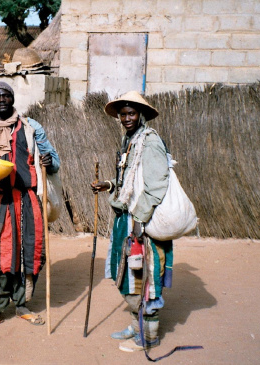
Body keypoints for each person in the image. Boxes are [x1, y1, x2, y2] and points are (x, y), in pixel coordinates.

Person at [0, 81, 60, 331]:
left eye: (6, 95)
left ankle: (22, 305)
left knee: (27, 251)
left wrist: (48, 161)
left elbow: (55, 162)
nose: (2, 100)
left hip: (28, 200)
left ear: (12, 98)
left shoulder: (31, 127)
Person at [90, 91, 172, 352]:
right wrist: (109, 184)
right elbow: (129, 182)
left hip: (142, 223)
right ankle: (137, 325)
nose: (126, 118)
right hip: (126, 220)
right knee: (127, 274)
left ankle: (149, 335)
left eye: (131, 113)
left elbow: (157, 185)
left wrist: (139, 218)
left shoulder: (150, 142)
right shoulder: (129, 141)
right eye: (123, 114)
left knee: (145, 276)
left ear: (141, 115)